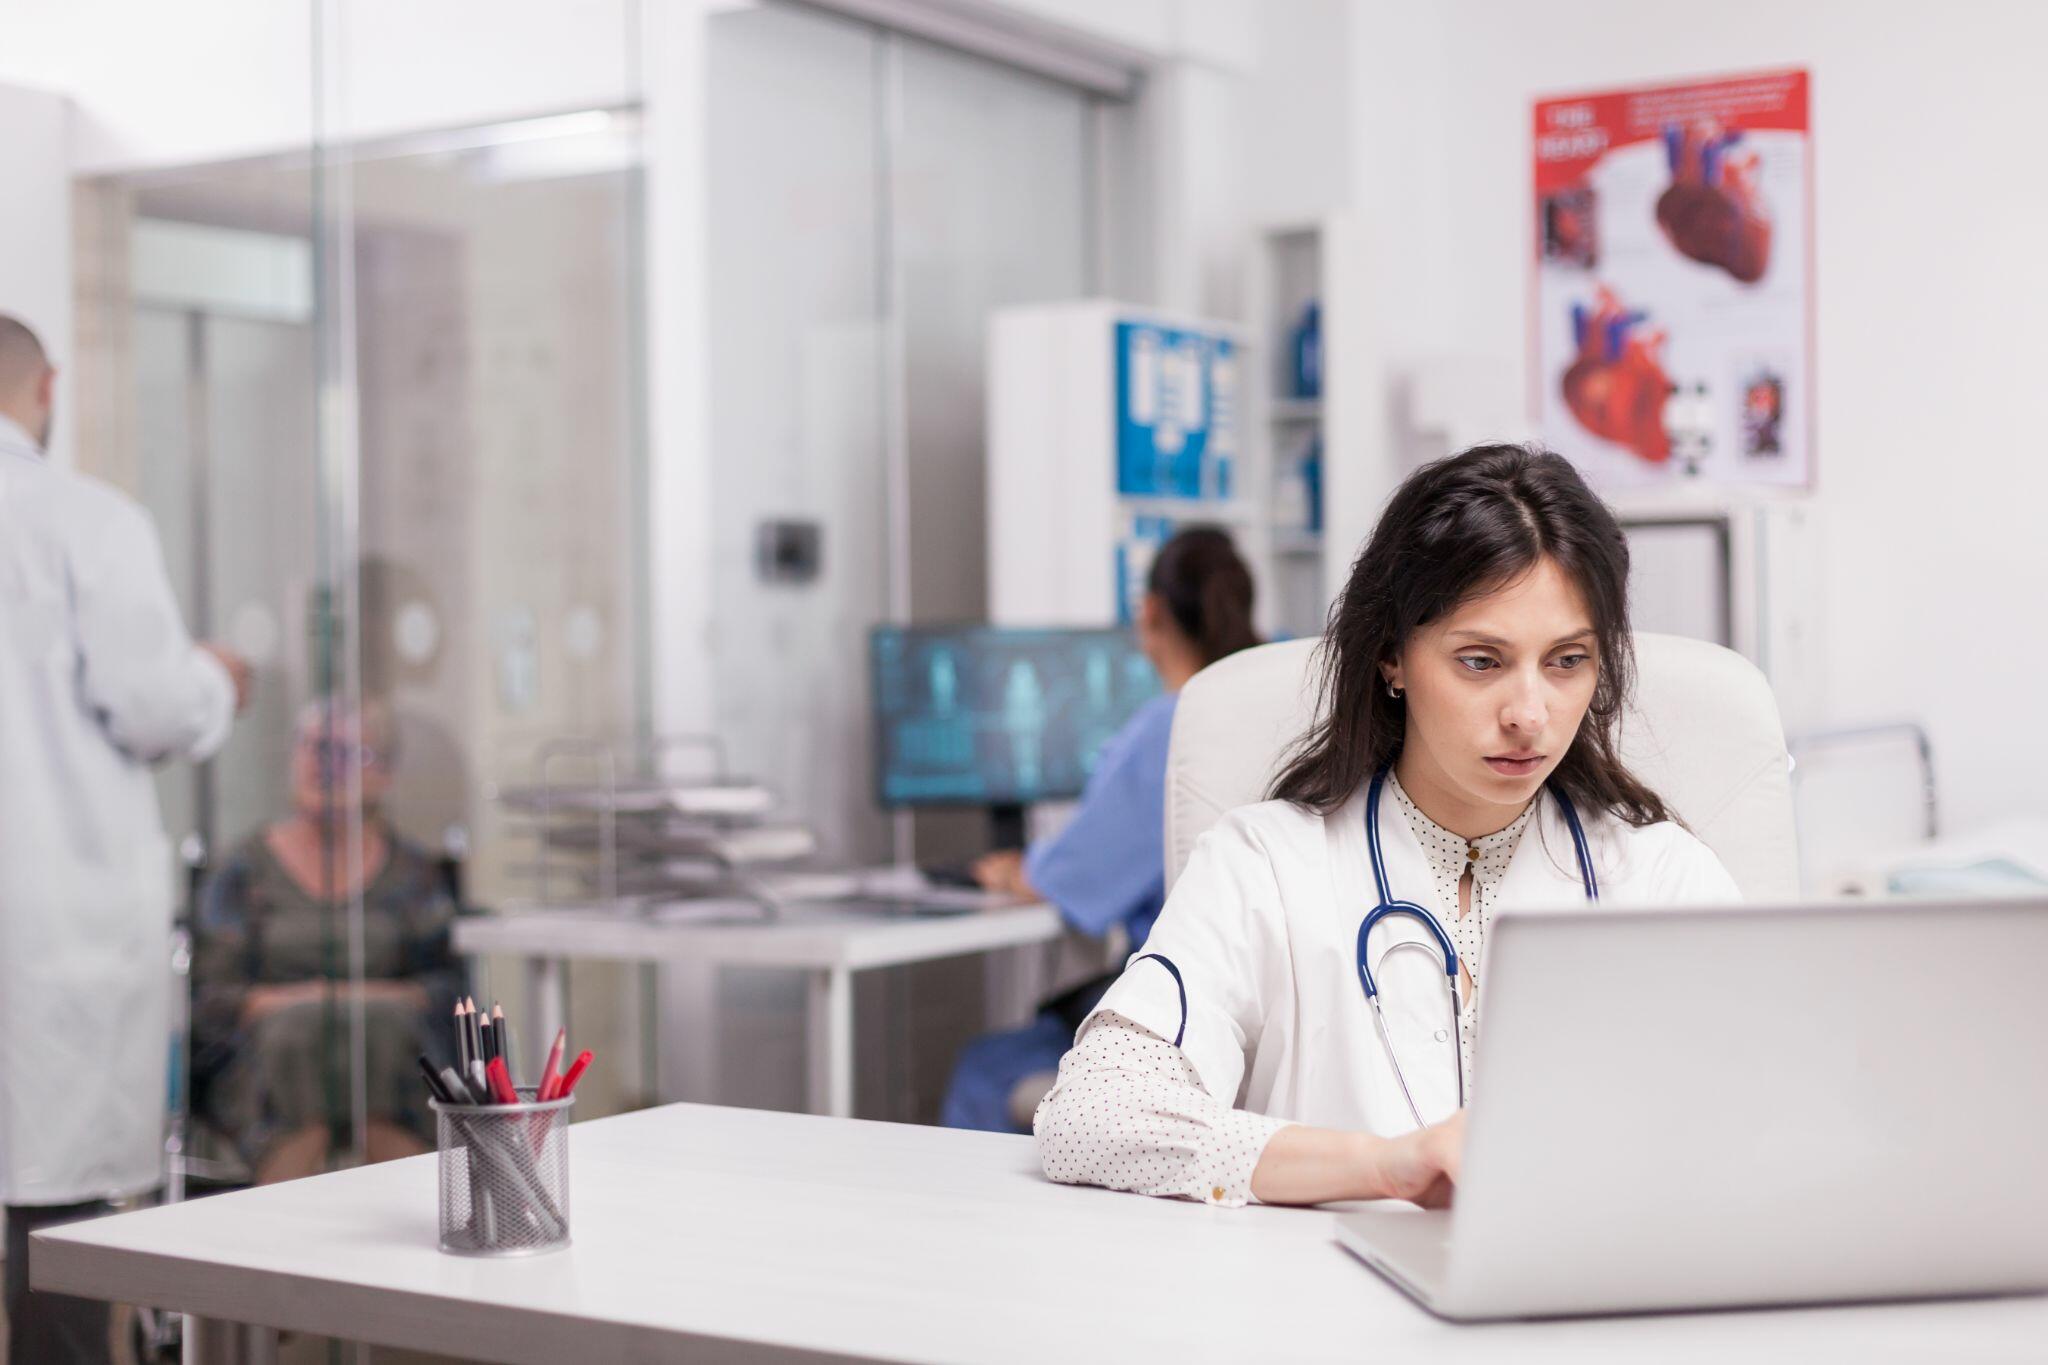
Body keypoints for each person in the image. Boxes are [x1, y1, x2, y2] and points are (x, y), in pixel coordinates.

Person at [1035, 444, 1740, 1208]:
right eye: (1481, 661)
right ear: (1391, 658)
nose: (1530, 714)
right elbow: (1088, 1116)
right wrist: (1383, 1165)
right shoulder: (1268, 865)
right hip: (1320, 1313)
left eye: (1567, 660)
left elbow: (1776, 1124)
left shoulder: (1666, 877)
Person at [0, 314, 251, 1364]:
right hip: (51, 932)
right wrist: (216, 680)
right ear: (48, 387)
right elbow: (153, 708)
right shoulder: (82, 522)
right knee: (52, 1240)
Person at [940, 527, 1260, 1131]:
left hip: (1181, 1013)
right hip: (1250, 1014)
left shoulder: (1173, 724)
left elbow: (1076, 876)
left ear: (1150, 613)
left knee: (983, 1068)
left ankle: (973, 1226)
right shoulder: (1270, 707)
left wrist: (1018, 870)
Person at [191, 700, 465, 1184]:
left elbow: (448, 991)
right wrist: (313, 1003)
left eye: (345, 751)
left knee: (381, 1029)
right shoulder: (243, 871)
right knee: (299, 1033)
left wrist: (349, 1002)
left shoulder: (415, 874)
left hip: (394, 1053)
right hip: (265, 1063)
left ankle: (404, 1217)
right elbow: (214, 998)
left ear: (384, 775)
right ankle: (282, 1230)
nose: (323, 764)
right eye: (313, 747)